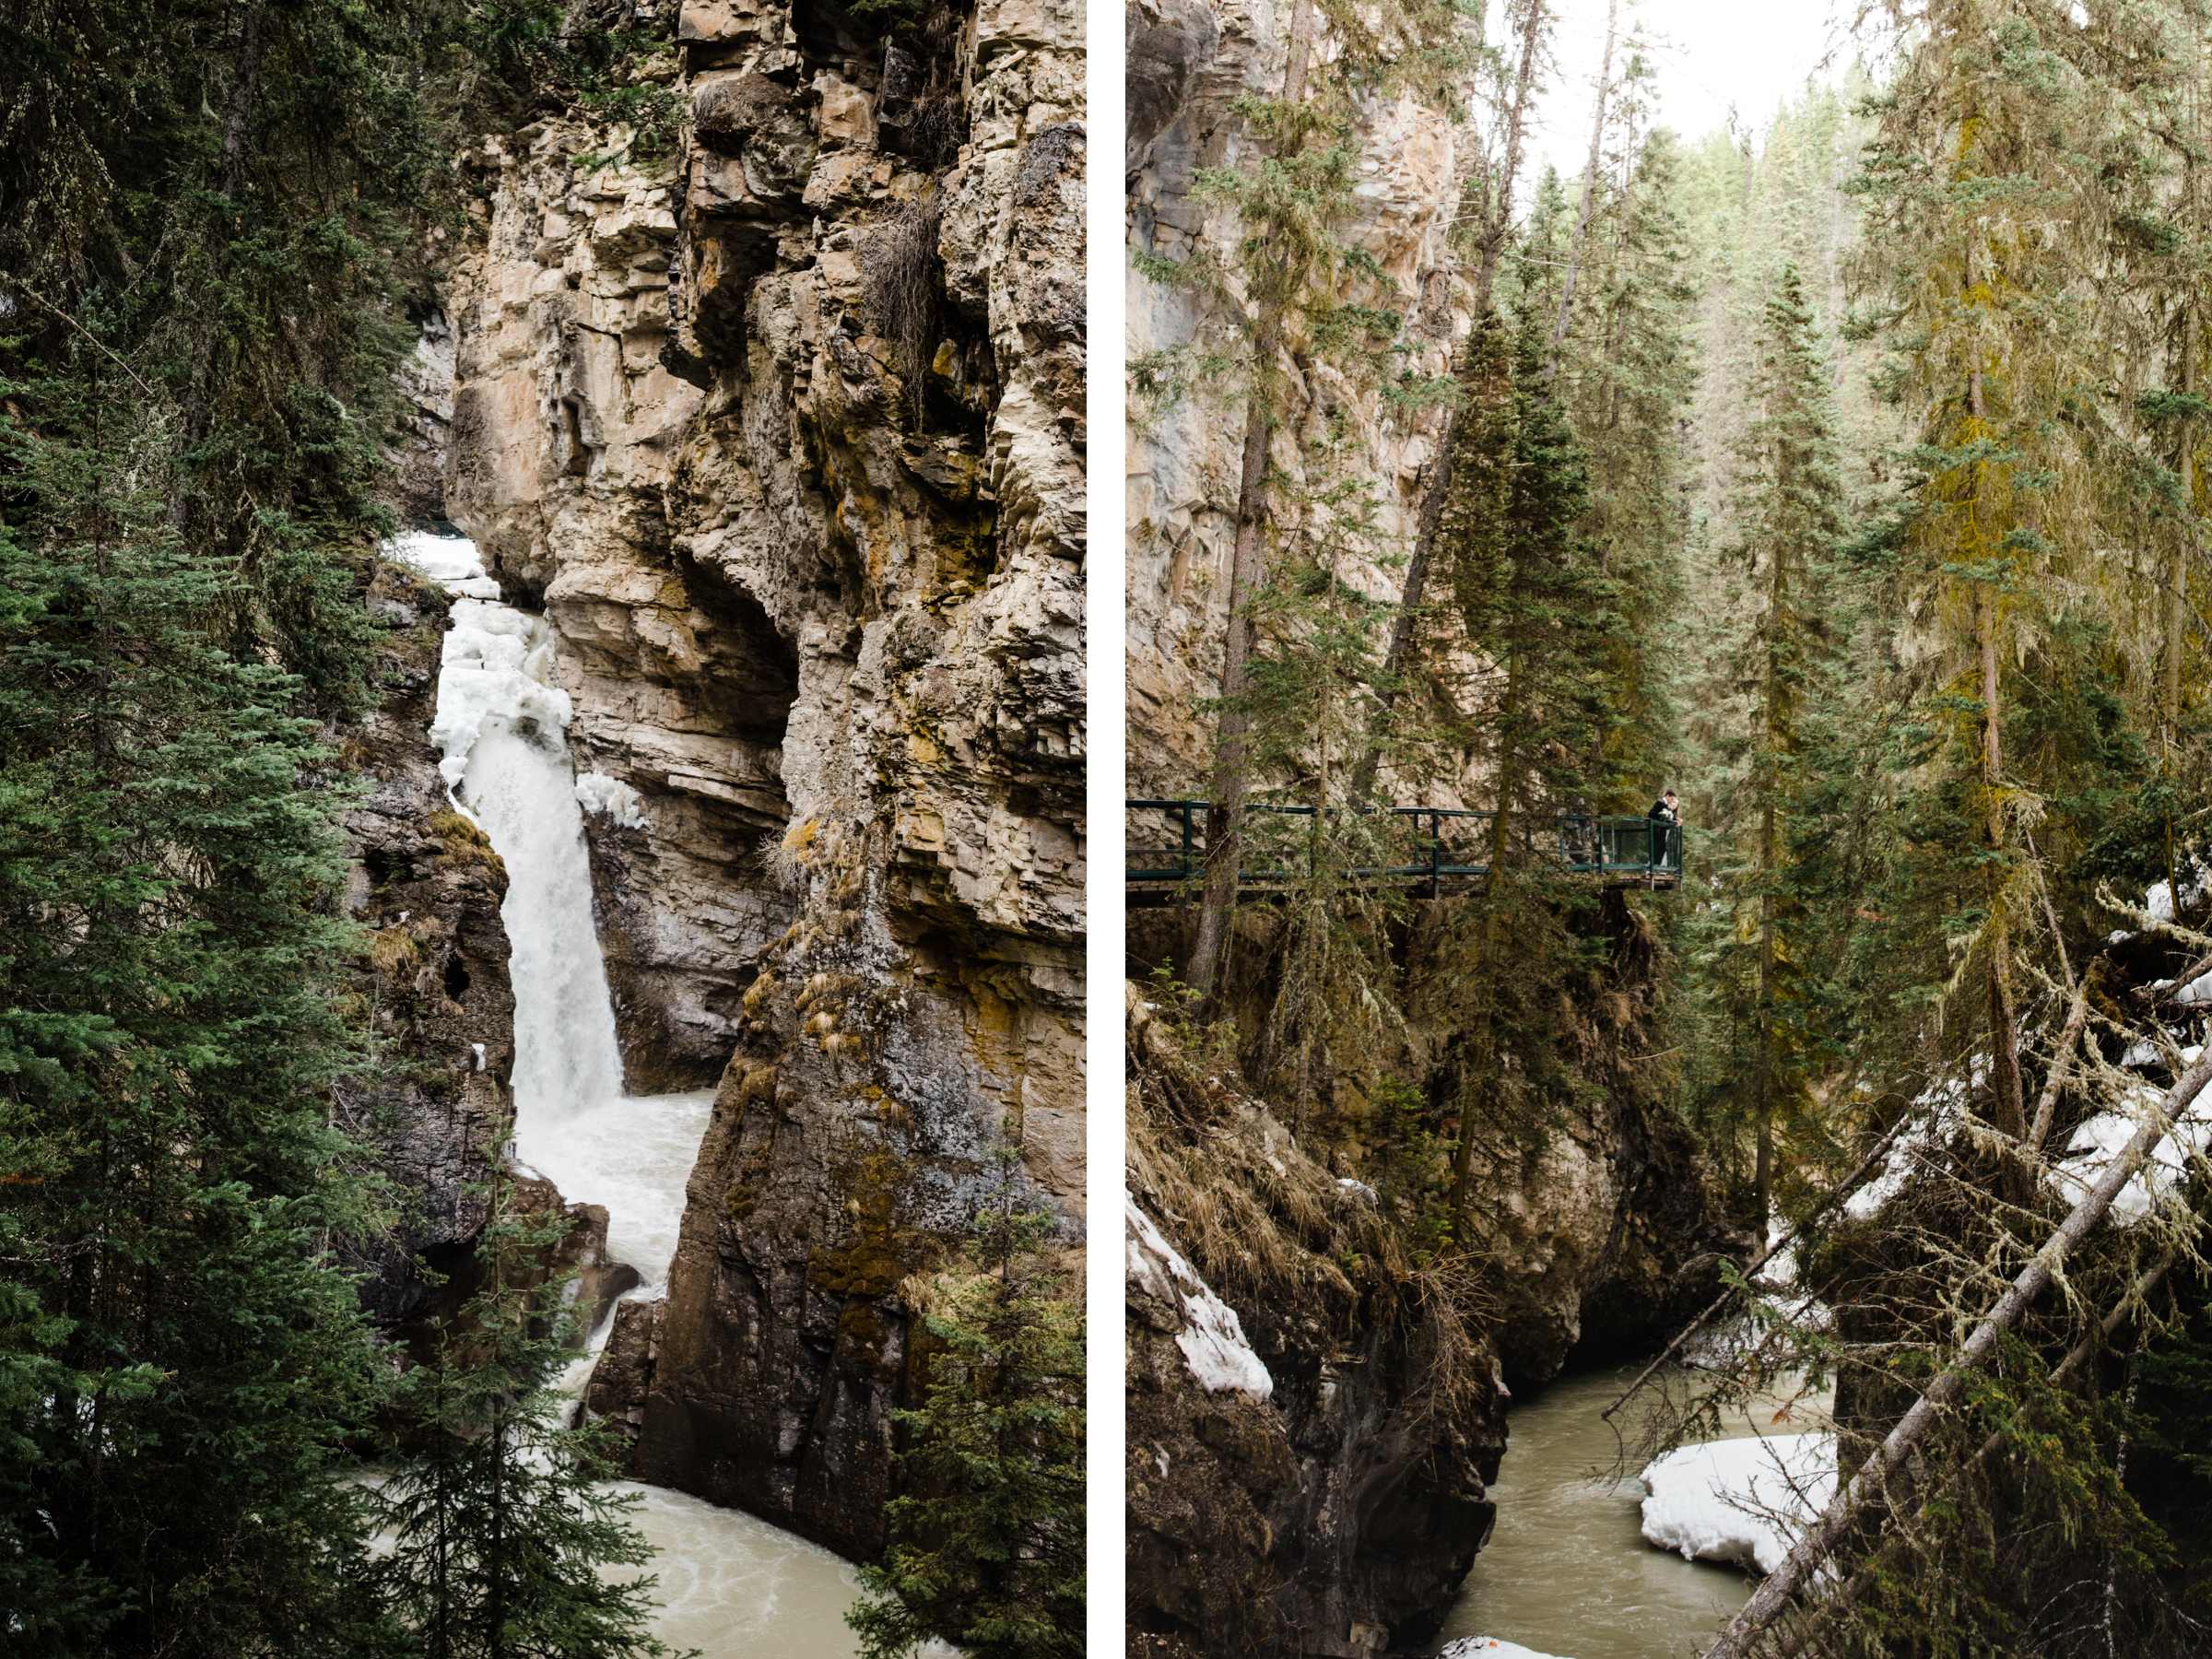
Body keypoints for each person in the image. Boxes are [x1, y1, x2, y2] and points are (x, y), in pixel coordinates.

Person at [1647, 789, 1681, 871]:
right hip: (1655, 829)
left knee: (1661, 848)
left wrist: (1676, 820)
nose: (1672, 801)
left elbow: (1669, 815)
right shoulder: (1660, 802)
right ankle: (1652, 867)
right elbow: (1651, 814)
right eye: (1672, 799)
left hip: (1661, 830)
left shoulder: (1665, 805)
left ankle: (1656, 866)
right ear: (1668, 796)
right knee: (1656, 848)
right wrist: (1662, 815)